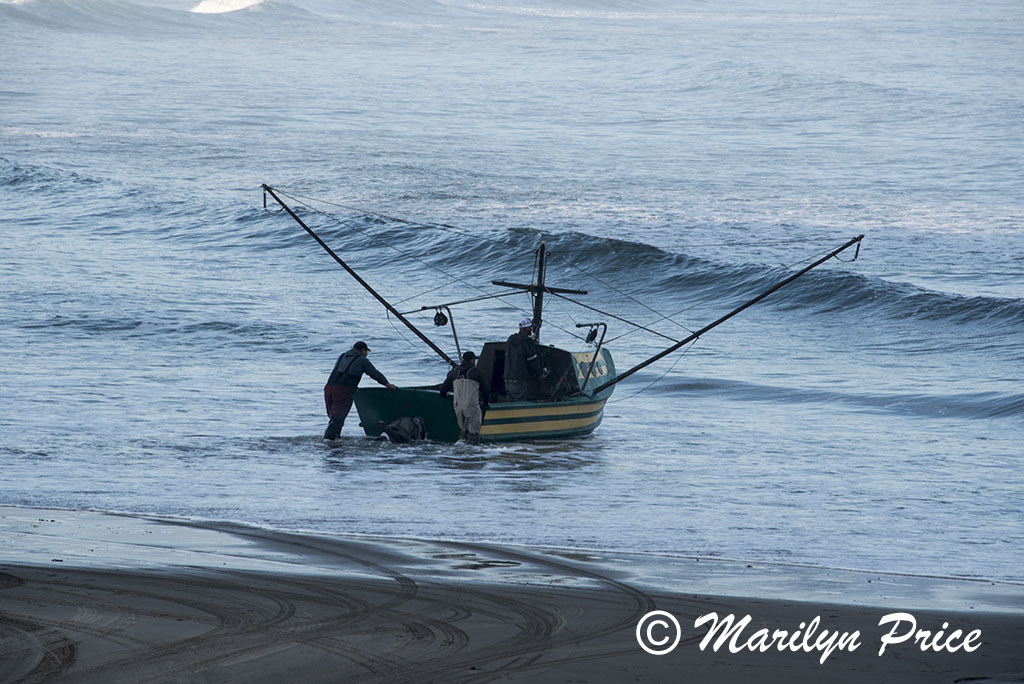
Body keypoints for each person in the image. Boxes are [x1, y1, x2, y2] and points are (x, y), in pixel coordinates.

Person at [323, 341, 395, 440]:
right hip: (343, 391)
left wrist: (353, 385)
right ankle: (328, 442)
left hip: (329, 388)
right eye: (367, 352)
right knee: (338, 419)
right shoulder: (361, 360)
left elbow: (341, 372)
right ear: (363, 350)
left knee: (334, 418)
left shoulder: (342, 356)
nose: (366, 355)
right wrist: (387, 384)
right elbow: (374, 374)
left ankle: (335, 441)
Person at [440, 351, 488, 444]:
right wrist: (485, 403)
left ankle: (461, 451)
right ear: (473, 361)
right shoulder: (477, 373)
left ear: (462, 360)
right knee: (473, 433)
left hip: (457, 406)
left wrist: (443, 395)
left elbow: (444, 389)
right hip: (471, 405)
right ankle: (471, 453)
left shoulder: (454, 373)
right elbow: (486, 389)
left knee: (463, 431)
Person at [503, 317, 543, 402]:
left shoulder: (510, 339)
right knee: (520, 405)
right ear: (527, 328)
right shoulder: (527, 342)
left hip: (507, 380)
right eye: (531, 328)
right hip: (519, 380)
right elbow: (533, 361)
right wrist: (540, 373)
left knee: (510, 406)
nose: (531, 330)